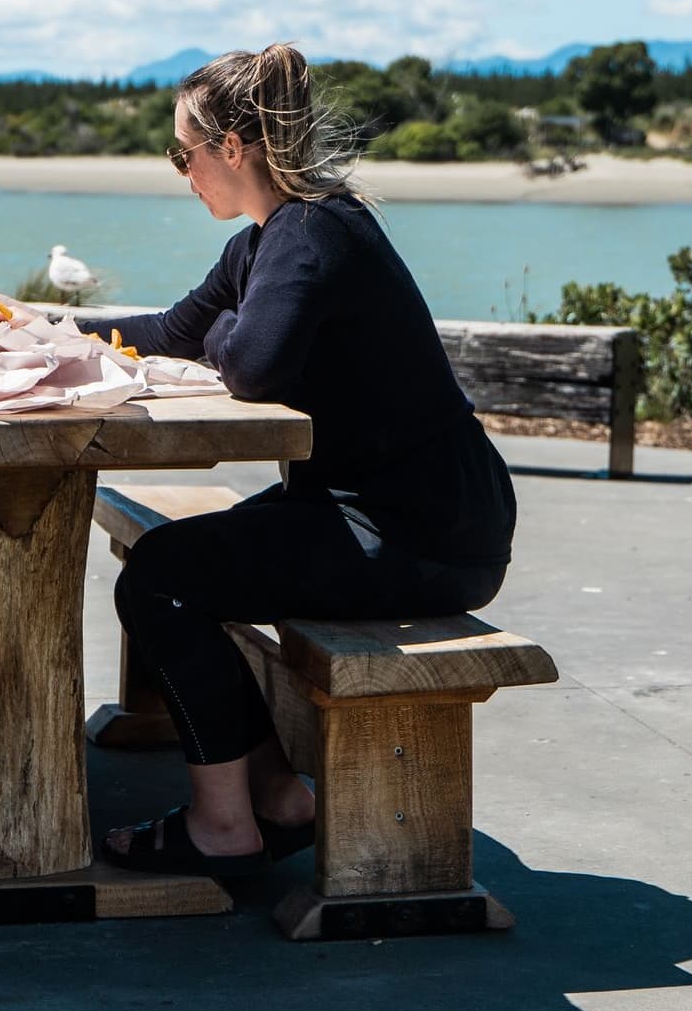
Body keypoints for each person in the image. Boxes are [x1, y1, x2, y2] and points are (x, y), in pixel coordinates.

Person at [91, 43, 516, 875]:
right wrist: (27, 334)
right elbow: (176, 331)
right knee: (166, 566)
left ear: (233, 149)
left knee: (163, 580)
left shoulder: (312, 230)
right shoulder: (268, 238)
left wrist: (223, 337)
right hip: (379, 509)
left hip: (420, 533)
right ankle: (279, 798)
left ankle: (223, 827)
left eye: (184, 152)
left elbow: (251, 365)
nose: (182, 172)